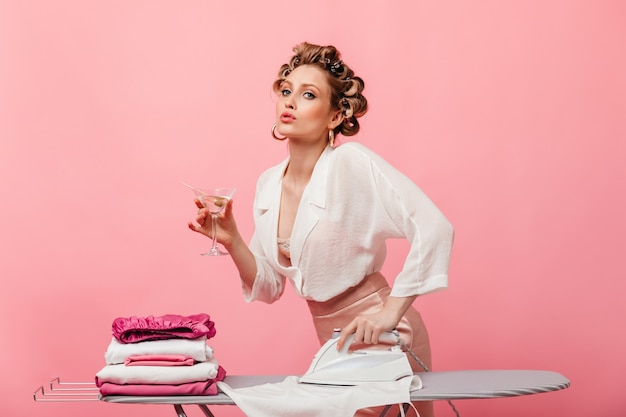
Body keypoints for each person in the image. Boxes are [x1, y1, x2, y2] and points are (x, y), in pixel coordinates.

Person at [188, 41, 454, 417]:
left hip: (385, 335)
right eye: (285, 91)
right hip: (335, 346)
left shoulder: (351, 163)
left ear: (333, 117)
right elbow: (268, 286)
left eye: (308, 94)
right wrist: (231, 239)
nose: (290, 102)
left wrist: (390, 314)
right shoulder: (268, 184)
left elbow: (435, 227)